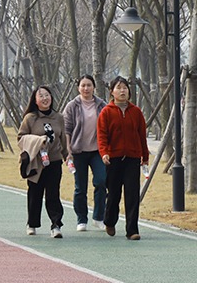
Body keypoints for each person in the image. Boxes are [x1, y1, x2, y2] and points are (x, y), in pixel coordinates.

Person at [97, 76, 149, 240]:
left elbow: (141, 135)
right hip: (113, 158)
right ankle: (109, 221)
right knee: (114, 194)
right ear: (112, 92)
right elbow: (102, 135)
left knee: (132, 194)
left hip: (132, 158)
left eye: (125, 88)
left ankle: (132, 230)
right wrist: (104, 152)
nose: (122, 91)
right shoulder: (106, 112)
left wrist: (145, 155)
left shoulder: (136, 112)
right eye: (118, 88)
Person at [17, 85, 67, 239]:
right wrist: (38, 141)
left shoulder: (58, 117)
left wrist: (66, 155)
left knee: (53, 193)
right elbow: (21, 138)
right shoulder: (30, 118)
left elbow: (63, 138)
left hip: (54, 161)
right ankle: (32, 223)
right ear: (35, 100)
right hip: (36, 162)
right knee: (35, 193)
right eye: (41, 96)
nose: (45, 98)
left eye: (47, 95)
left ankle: (56, 224)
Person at [63, 75, 108, 231]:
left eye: (89, 85)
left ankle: (99, 217)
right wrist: (68, 150)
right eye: (83, 85)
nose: (86, 88)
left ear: (94, 87)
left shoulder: (102, 105)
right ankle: (81, 219)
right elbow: (67, 129)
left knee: (101, 182)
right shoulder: (72, 106)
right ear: (78, 88)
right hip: (78, 152)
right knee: (80, 187)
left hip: (97, 152)